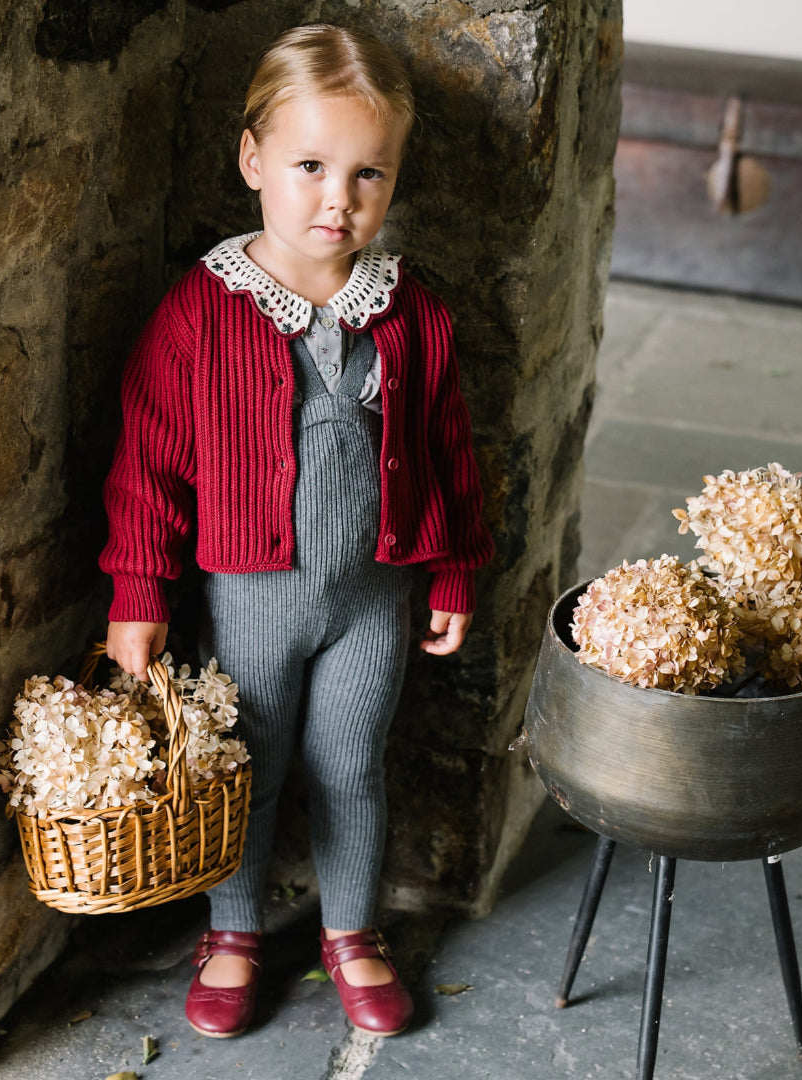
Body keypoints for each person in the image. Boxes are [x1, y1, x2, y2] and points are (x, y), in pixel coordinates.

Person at [100, 23, 493, 1041]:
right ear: (253, 161)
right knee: (250, 764)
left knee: (353, 766)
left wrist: (453, 571)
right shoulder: (203, 312)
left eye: (369, 174)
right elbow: (147, 465)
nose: (338, 198)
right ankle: (232, 931)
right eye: (310, 166)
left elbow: (449, 451)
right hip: (253, 600)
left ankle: (352, 930)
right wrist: (138, 594)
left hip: (373, 598)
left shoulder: (408, 313)